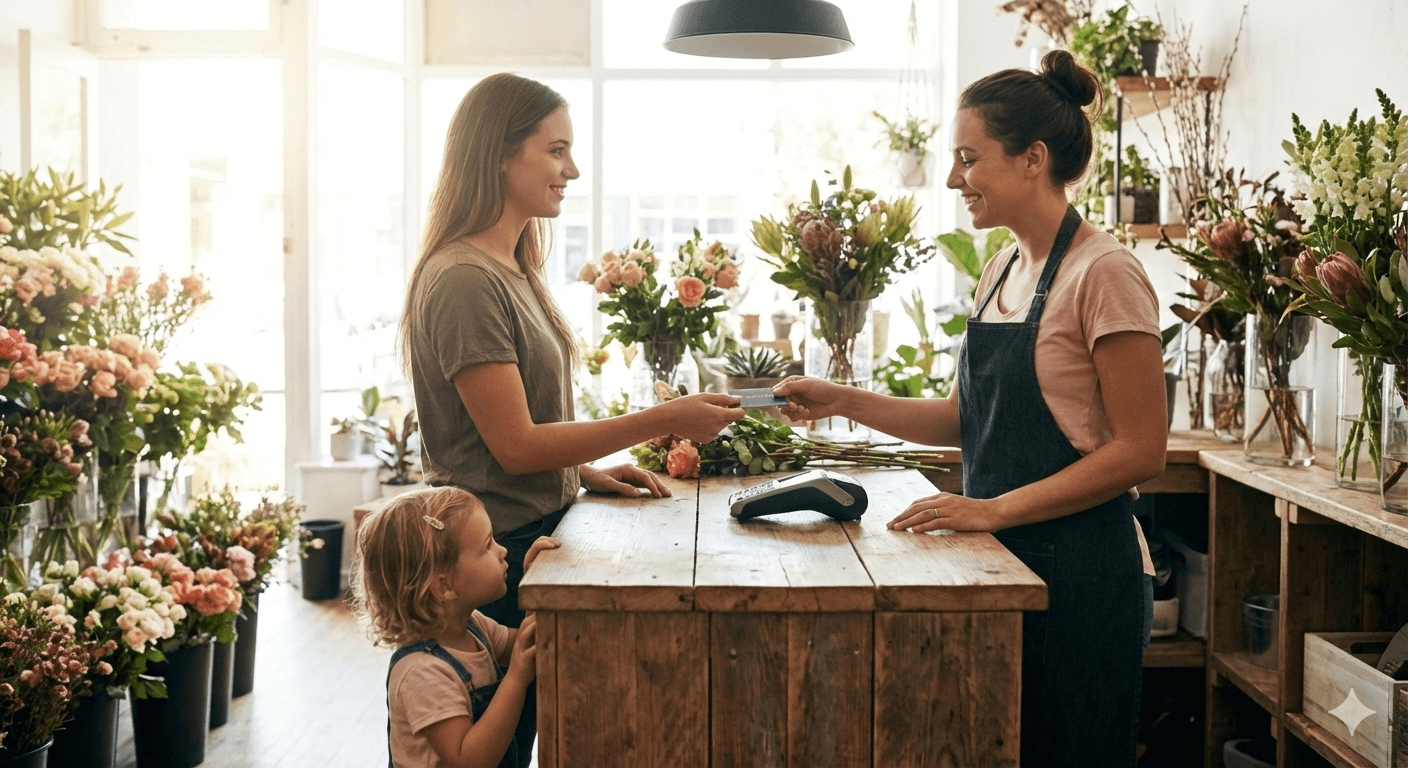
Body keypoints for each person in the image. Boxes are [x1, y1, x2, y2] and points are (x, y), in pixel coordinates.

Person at [774, 50, 1166, 767]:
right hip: (997, 563)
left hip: (1080, 573)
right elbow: (964, 419)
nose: (954, 179)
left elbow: (1141, 451)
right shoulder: (1002, 267)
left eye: (967, 159)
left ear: (1031, 160)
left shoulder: (1103, 273)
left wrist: (992, 510)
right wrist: (842, 399)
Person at [398, 73, 743, 765]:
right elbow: (517, 445)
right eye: (556, 150)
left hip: (531, 536)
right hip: (492, 556)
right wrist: (660, 419)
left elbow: (506, 436)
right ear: (499, 153)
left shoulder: (514, 266)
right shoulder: (465, 279)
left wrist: (583, 472)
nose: (572, 170)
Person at [352, 486, 562, 768]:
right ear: (445, 585)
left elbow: (526, 644)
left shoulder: (473, 626)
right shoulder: (421, 673)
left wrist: (532, 584)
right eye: (487, 546)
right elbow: (470, 760)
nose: (502, 552)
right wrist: (516, 677)